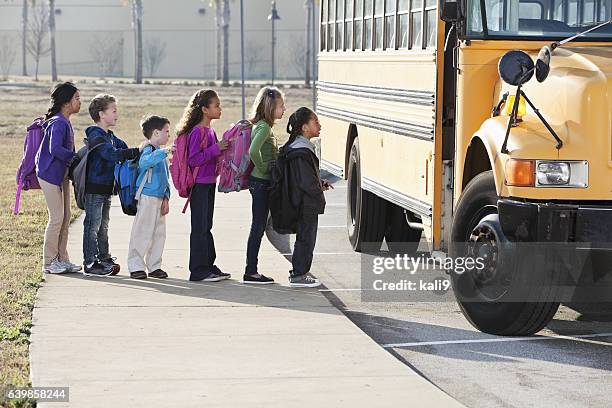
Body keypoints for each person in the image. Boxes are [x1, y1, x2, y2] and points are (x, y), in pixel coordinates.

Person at [82, 94, 140, 277]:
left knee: (103, 225)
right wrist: (136, 151)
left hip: (106, 189)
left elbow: (124, 149)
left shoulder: (110, 136)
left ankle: (104, 258)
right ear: (101, 114)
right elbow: (112, 155)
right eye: (113, 110)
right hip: (94, 188)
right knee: (93, 225)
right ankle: (90, 263)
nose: (117, 114)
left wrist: (144, 149)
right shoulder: (96, 136)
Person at [176, 89, 230, 282]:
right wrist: (216, 148)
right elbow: (193, 159)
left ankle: (208, 265)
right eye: (216, 105)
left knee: (207, 225)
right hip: (198, 185)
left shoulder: (210, 130)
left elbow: (212, 156)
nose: (220, 108)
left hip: (209, 183)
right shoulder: (198, 131)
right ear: (205, 109)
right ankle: (198, 270)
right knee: (199, 227)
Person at [36, 82, 82, 274]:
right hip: (49, 175)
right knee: (56, 218)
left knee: (66, 217)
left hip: (60, 175)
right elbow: (54, 149)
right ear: (66, 102)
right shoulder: (58, 122)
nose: (80, 102)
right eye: (77, 99)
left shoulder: (65, 121)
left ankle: (62, 259)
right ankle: (49, 262)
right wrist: (75, 157)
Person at [283, 107, 332, 288]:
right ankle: (299, 274)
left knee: (304, 238)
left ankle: (298, 271)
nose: (320, 125)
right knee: (306, 238)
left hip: (301, 201)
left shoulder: (296, 146)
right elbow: (305, 181)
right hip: (306, 203)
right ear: (304, 127)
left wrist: (319, 183)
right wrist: (317, 189)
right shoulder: (302, 151)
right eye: (316, 122)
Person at [242, 87, 285, 285]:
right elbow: (253, 151)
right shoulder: (264, 128)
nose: (284, 110)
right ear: (270, 107)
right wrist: (264, 169)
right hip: (260, 182)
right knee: (257, 227)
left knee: (258, 226)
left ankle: (252, 270)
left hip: (259, 182)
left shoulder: (262, 125)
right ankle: (251, 271)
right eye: (281, 106)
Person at [127, 115, 175, 280]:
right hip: (147, 196)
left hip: (159, 198)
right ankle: (136, 266)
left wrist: (166, 197)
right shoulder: (148, 149)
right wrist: (165, 151)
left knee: (158, 234)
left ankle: (154, 266)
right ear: (156, 133)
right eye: (166, 131)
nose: (169, 135)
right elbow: (144, 163)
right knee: (143, 232)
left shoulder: (160, 155)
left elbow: (165, 178)